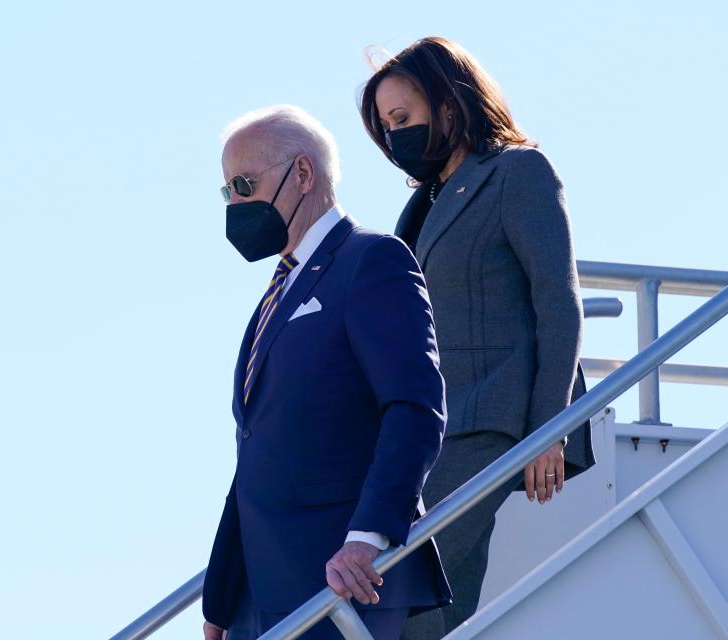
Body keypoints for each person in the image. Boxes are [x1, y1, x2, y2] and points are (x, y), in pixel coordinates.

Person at [359, 37, 597, 637]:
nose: (395, 139)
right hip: (433, 430)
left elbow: (558, 302)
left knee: (396, 582)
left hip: (490, 423)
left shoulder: (516, 172)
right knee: (436, 608)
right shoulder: (424, 206)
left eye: (402, 119)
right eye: (386, 129)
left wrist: (551, 430)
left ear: (447, 103)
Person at [201, 105, 452, 640]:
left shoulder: (372, 260)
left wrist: (369, 537)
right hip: (260, 594)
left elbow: (413, 409)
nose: (235, 205)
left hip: (342, 579)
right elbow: (255, 449)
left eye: (243, 184)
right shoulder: (278, 291)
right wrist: (220, 600)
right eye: (226, 192)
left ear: (303, 173)